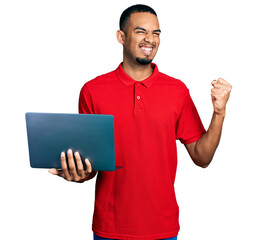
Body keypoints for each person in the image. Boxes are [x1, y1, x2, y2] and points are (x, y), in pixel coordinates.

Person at [48, 4, 232, 240]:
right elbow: (91, 166)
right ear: (121, 37)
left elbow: (202, 157)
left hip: (162, 228)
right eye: (141, 31)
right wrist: (77, 172)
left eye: (156, 33)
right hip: (109, 228)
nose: (150, 39)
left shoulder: (177, 91)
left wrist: (219, 113)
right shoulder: (92, 91)